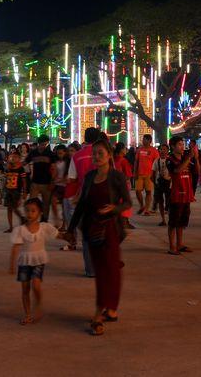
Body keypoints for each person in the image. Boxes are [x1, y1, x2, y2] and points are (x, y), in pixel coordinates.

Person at [66, 137, 132, 336]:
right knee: (101, 272)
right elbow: (83, 204)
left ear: (109, 155)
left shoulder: (116, 177)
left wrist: (114, 208)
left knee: (110, 270)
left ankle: (100, 313)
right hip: (92, 229)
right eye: (94, 153)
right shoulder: (89, 176)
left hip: (110, 229)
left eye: (100, 153)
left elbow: (127, 203)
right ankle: (108, 309)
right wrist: (70, 229)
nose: (96, 157)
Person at [9, 197, 59, 325]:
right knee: (25, 289)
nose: (30, 214)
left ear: (40, 213)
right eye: (27, 211)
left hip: (38, 259)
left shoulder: (44, 227)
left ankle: (38, 304)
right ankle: (27, 314)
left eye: (33, 211)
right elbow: (15, 247)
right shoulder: (20, 229)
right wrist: (12, 264)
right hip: (24, 261)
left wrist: (68, 237)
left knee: (36, 285)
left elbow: (57, 234)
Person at [65, 127, 100, 277]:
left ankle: (90, 270)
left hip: (83, 198)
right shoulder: (102, 153)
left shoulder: (77, 156)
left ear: (85, 137)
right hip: (100, 196)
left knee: (86, 236)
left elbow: (71, 178)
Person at [166, 137, 196, 254]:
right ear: (173, 146)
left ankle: (180, 244)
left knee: (182, 221)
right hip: (176, 194)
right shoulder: (170, 160)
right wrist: (188, 158)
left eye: (183, 144)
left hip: (186, 194)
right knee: (173, 221)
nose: (182, 146)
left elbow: (196, 170)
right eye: (179, 144)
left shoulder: (186, 159)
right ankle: (171, 246)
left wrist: (196, 158)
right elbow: (177, 170)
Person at [27, 136, 55, 221]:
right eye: (42, 144)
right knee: (32, 202)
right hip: (35, 182)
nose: (43, 146)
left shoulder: (50, 154)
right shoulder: (33, 153)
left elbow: (53, 169)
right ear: (38, 144)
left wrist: (52, 182)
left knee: (46, 204)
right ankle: (32, 219)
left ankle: (44, 220)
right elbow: (25, 162)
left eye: (45, 144)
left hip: (47, 183)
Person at [3, 151, 28, 232]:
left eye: (15, 157)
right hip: (8, 190)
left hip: (16, 191)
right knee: (9, 209)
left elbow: (24, 181)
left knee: (14, 207)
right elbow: (6, 178)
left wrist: (24, 192)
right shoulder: (8, 168)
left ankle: (22, 218)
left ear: (19, 159)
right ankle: (11, 227)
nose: (13, 159)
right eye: (12, 157)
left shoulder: (21, 169)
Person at [133, 135, 157, 214]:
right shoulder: (139, 150)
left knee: (148, 192)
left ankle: (146, 209)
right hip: (139, 174)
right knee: (137, 191)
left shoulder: (154, 151)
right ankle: (141, 205)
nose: (143, 141)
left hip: (149, 174)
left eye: (145, 139)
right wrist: (135, 172)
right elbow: (136, 161)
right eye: (143, 139)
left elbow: (156, 163)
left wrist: (155, 174)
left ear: (149, 141)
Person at [151, 143, 171, 227]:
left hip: (168, 183)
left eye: (164, 149)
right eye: (161, 149)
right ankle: (163, 220)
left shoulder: (170, 160)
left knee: (169, 202)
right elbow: (153, 173)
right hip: (159, 183)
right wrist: (155, 183)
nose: (162, 151)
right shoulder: (156, 161)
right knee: (160, 202)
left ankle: (170, 220)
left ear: (167, 151)